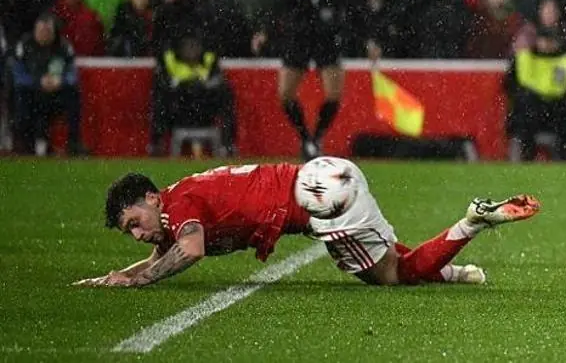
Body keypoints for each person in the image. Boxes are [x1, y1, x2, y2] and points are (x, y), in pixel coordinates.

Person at [76, 160, 540, 287]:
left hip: (317, 199)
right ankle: (455, 270)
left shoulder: (179, 207)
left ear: (152, 198)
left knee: (393, 277)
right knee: (394, 259)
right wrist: (115, 276)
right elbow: (162, 253)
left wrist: (140, 282)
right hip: (323, 177)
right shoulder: (176, 205)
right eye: (130, 231)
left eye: (134, 222)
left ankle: (472, 222)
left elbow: (189, 249)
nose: (138, 234)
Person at [253, 0, 358, 159]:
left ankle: (317, 137)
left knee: (334, 94)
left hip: (326, 43)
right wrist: (264, 32)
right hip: (298, 42)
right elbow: (274, 12)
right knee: (285, 95)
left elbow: (356, 16)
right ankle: (306, 138)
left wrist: (366, 40)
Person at [504, 27, 566, 161]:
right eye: (544, 40)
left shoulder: (565, 60)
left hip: (555, 108)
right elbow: (510, 85)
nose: (547, 44)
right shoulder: (525, 58)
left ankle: (561, 151)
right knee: (523, 104)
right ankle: (525, 150)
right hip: (531, 108)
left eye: (550, 40)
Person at [9, 13, 85, 156]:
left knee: (74, 93)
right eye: (41, 31)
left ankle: (73, 142)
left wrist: (61, 81)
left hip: (57, 93)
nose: (44, 34)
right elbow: (18, 74)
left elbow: (72, 73)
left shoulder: (63, 46)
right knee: (20, 94)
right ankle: (24, 143)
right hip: (32, 93)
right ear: (35, 31)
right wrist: (38, 82)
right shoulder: (24, 45)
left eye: (48, 31)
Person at [150, 33, 236, 156]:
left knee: (226, 96)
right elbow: (161, 87)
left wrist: (203, 88)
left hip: (205, 113)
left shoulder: (209, 63)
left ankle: (228, 144)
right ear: (180, 50)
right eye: (187, 47)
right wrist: (181, 88)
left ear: (200, 49)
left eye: (194, 47)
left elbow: (220, 85)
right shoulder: (171, 63)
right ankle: (156, 145)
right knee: (160, 101)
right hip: (179, 113)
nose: (191, 51)